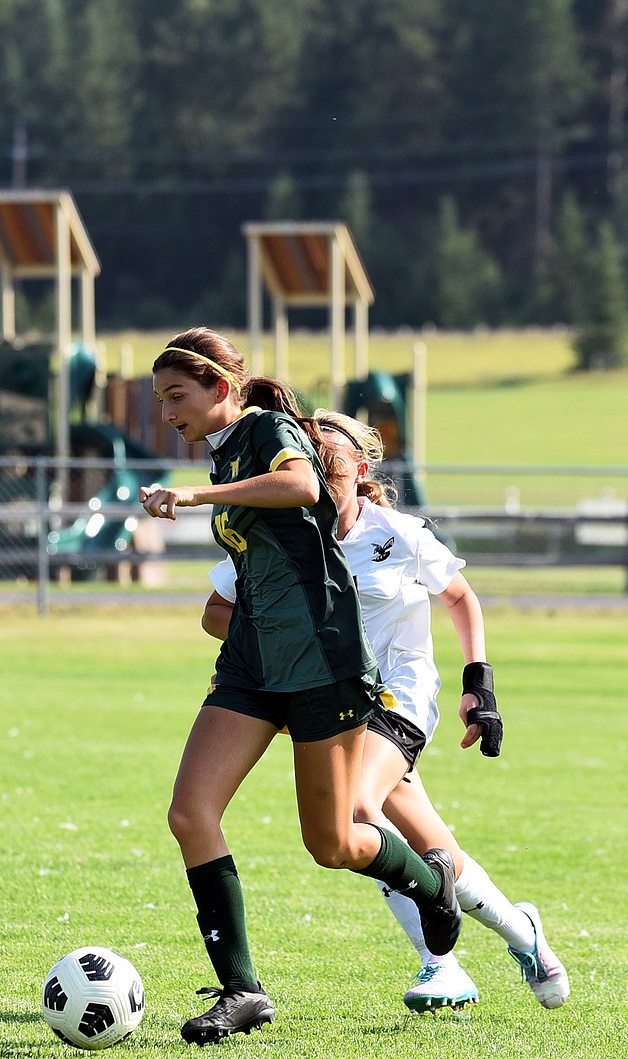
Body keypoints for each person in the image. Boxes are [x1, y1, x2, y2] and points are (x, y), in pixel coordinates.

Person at [138, 328, 462, 1047]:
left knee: (335, 843)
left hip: (322, 660)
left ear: (221, 387)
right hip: (253, 663)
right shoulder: (227, 451)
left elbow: (302, 485)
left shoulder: (266, 430)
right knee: (190, 813)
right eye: (159, 398)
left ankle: (431, 884)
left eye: (176, 395)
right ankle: (241, 990)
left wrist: (194, 495)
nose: (166, 411)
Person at [205, 409, 569, 1013]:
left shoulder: (398, 533)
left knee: (355, 811)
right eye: (310, 464)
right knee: (433, 848)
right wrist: (284, 656)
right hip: (330, 699)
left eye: (334, 464)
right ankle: (523, 934)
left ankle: (440, 964)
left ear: (362, 468)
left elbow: (460, 598)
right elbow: (216, 611)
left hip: (399, 693)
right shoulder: (282, 536)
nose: (322, 476)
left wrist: (480, 684)